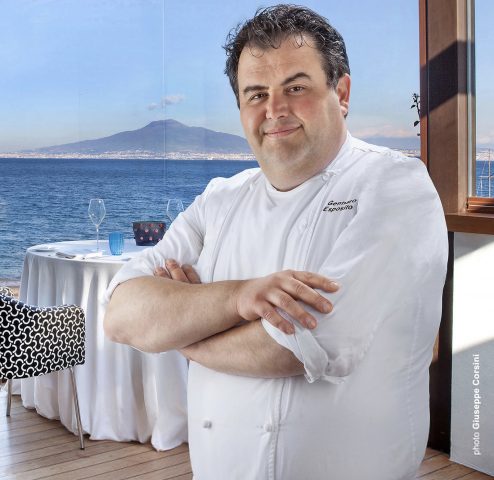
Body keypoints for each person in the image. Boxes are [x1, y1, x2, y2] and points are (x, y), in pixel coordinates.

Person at [103, 5, 448, 479]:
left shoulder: (395, 186)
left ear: (341, 93)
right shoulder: (219, 200)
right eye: (257, 94)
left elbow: (302, 345)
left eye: (296, 88)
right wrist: (239, 297)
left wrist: (180, 331)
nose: (275, 109)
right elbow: (121, 315)